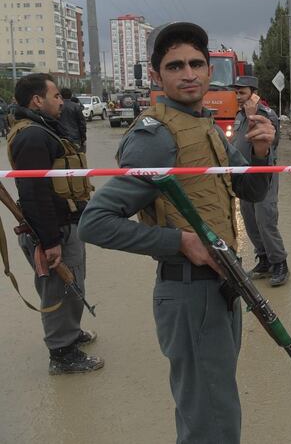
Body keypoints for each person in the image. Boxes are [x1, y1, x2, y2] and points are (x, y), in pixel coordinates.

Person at [78, 22, 275, 443]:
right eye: (175, 65)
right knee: (211, 420)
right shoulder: (156, 137)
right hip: (190, 293)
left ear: (209, 71)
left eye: (196, 64)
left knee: (213, 406)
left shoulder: (207, 128)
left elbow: (252, 190)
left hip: (221, 285)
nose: (189, 73)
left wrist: (262, 152)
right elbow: (95, 222)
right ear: (156, 76)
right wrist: (179, 241)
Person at [7, 73, 102, 375]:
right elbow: (33, 193)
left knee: (70, 283)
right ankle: (62, 354)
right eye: (56, 96)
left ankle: (70, 334)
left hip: (62, 224)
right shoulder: (33, 136)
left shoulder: (41, 130)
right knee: (58, 289)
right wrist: (50, 241)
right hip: (52, 229)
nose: (62, 101)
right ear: (37, 100)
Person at [231, 76, 290, 286]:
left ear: (254, 93)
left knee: (265, 218)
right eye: (236, 92)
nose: (238, 97)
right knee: (249, 219)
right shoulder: (239, 115)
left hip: (264, 174)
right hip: (244, 175)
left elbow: (271, 144)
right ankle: (264, 259)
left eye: (242, 92)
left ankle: (280, 262)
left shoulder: (266, 115)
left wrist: (253, 115)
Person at [58, 87, 87, 153]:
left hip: (61, 138)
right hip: (75, 138)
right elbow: (82, 123)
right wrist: (83, 138)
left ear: (61, 96)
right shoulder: (76, 106)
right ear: (71, 95)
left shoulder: (58, 106)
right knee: (78, 159)